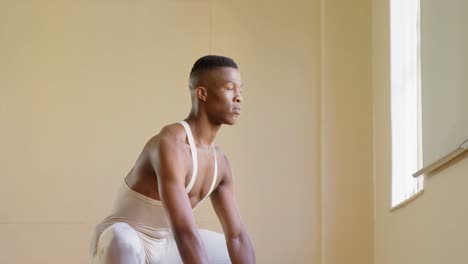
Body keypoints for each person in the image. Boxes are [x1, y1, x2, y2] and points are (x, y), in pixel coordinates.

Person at [89, 55, 256, 264]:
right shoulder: (171, 145)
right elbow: (184, 230)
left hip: (167, 244)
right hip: (125, 244)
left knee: (224, 248)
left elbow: (237, 237)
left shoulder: (220, 163)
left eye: (240, 89)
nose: (239, 97)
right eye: (230, 88)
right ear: (202, 93)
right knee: (122, 238)